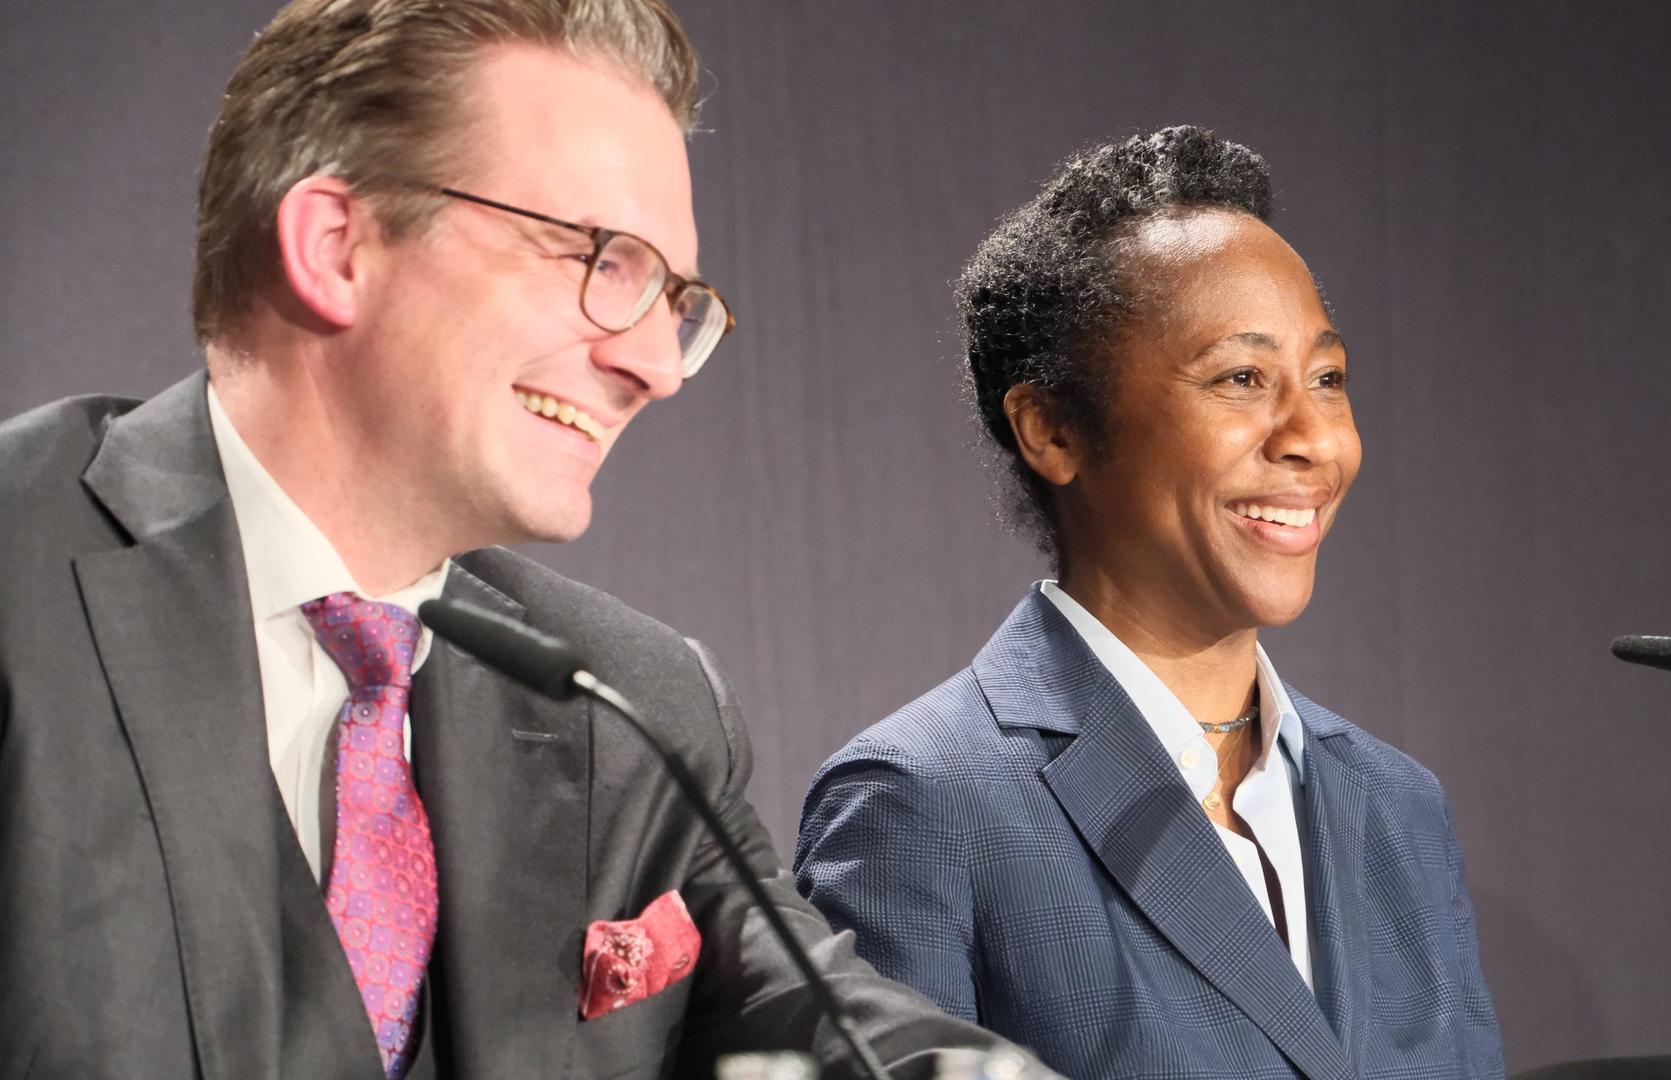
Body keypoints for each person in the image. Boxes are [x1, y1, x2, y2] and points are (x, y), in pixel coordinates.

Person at [0, 2, 1027, 1077]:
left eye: (672, 300)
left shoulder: (633, 709)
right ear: (336, 247)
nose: (658, 368)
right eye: (605, 260)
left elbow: (831, 1025)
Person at [794, 126, 1504, 1080]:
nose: (1311, 438)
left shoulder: (1398, 810)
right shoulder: (925, 802)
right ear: (1050, 428)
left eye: (1328, 380)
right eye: (1241, 378)